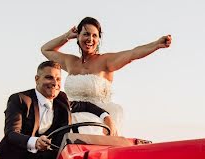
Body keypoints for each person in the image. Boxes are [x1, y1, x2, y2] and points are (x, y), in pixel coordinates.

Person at [41, 17, 171, 135]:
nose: (90, 39)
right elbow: (45, 49)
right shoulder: (70, 62)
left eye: (94, 36)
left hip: (99, 119)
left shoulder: (106, 61)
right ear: (78, 36)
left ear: (98, 39)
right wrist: (67, 36)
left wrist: (156, 45)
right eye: (86, 34)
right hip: (72, 116)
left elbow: (133, 53)